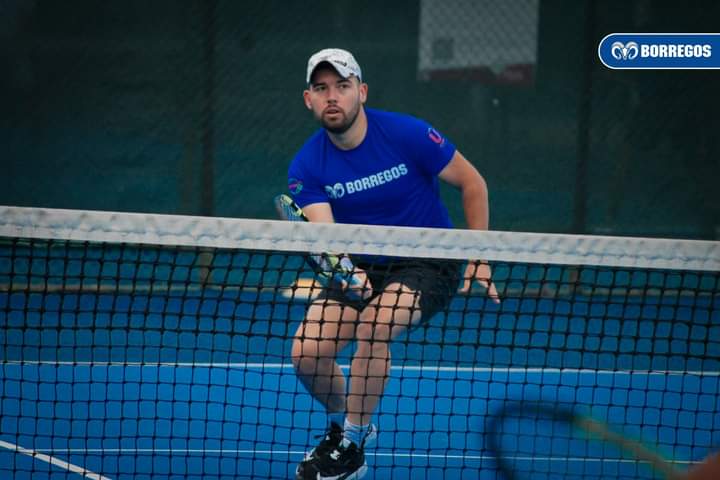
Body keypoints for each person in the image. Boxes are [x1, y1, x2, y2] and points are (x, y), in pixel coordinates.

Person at [287, 47, 499, 480]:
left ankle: (351, 442)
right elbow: (328, 239)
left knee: (374, 328)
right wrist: (348, 271)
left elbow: (472, 182)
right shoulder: (307, 165)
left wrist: (478, 255)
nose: (333, 97)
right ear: (308, 98)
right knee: (306, 354)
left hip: (428, 261)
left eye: (342, 87)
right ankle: (345, 420)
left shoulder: (409, 134)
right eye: (321, 88)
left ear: (361, 92)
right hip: (361, 263)